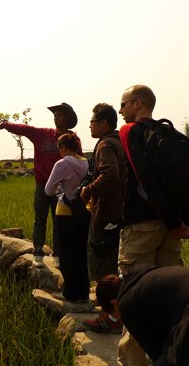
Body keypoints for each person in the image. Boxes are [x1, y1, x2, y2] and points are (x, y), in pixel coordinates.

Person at [116, 84, 189, 365]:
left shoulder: (130, 131)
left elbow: (144, 180)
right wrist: (181, 222)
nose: (121, 110)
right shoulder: (173, 135)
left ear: (139, 104)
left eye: (124, 104)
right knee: (169, 301)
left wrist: (171, 220)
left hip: (142, 227)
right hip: (171, 229)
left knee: (134, 299)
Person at [0, 103, 78, 268]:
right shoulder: (43, 134)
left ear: (68, 118)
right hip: (42, 185)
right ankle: (38, 252)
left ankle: (58, 254)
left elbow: (78, 163)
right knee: (39, 220)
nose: (55, 117)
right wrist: (5, 125)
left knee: (59, 221)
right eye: (54, 115)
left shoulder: (72, 140)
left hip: (62, 190)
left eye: (59, 115)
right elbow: (25, 128)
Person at [79, 103, 127, 282]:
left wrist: (87, 190)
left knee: (102, 269)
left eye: (92, 121)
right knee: (115, 265)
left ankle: (104, 306)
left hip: (106, 213)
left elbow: (109, 175)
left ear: (104, 123)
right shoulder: (120, 141)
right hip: (120, 213)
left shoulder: (105, 145)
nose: (90, 125)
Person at [44, 133, 91, 302]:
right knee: (81, 252)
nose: (59, 152)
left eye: (59, 148)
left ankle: (70, 293)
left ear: (63, 147)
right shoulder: (86, 162)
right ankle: (84, 292)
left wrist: (60, 189)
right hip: (83, 212)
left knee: (67, 254)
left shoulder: (62, 164)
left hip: (65, 212)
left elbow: (48, 190)